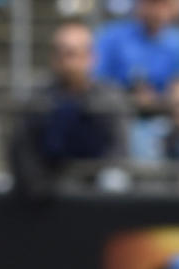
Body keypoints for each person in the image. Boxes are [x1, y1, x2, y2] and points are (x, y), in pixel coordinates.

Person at [9, 20, 129, 196]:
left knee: (115, 181)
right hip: (44, 191)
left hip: (95, 194)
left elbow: (118, 151)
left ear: (90, 57)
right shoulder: (37, 100)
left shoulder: (109, 100)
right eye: (60, 53)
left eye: (72, 54)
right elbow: (21, 150)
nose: (66, 61)